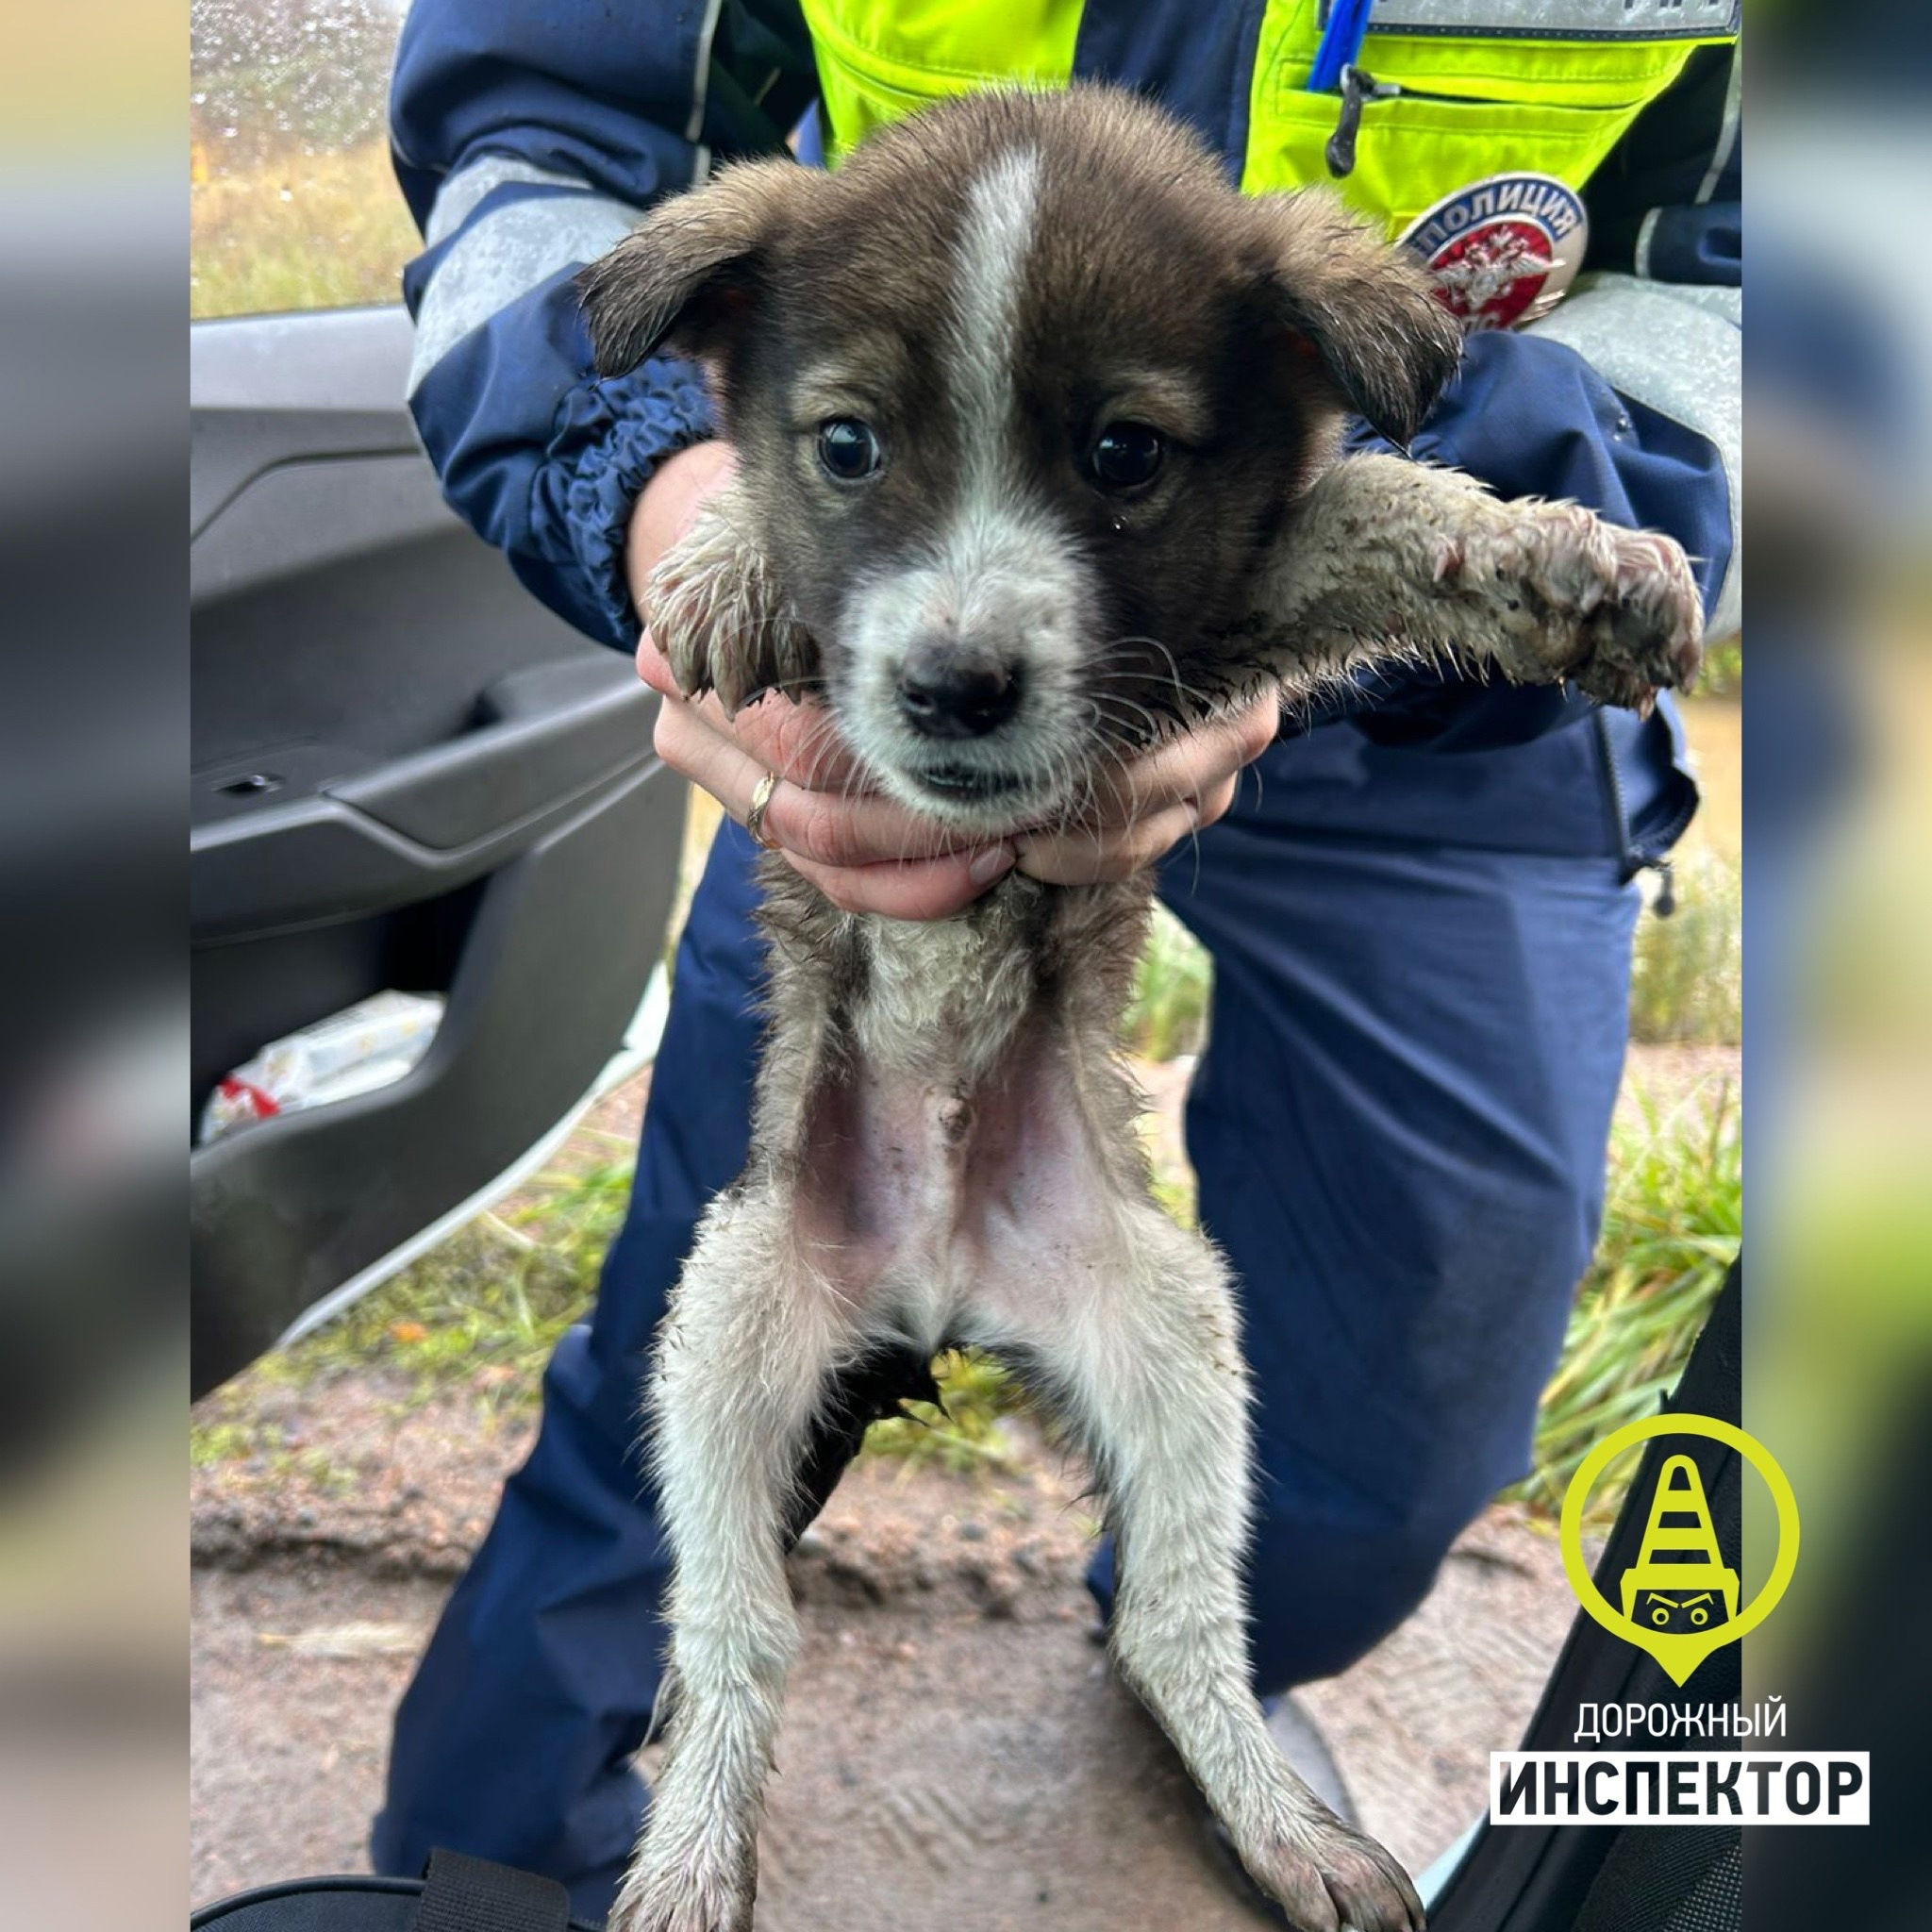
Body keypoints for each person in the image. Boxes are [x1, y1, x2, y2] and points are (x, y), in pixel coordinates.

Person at [372, 3, 1740, 1918]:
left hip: (1403, 653)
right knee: (695, 1340)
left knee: (1403, 1395)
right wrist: (675, 507)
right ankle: (497, 1849)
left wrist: (1531, 507)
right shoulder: (869, 559)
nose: (976, 610)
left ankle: (1200, 1666)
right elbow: (538, 151)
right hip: (864, 766)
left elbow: (1748, 274)